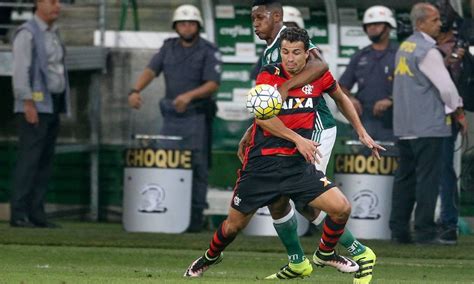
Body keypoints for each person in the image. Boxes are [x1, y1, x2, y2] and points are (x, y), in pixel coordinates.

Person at [185, 27, 384, 279]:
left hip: (296, 165)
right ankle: (209, 257)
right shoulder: (269, 74)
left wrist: (361, 131)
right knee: (233, 227)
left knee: (341, 208)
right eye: (285, 52)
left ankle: (324, 253)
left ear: (306, 54)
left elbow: (341, 98)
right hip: (261, 165)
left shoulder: (318, 75)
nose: (289, 58)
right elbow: (264, 119)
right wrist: (297, 138)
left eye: (296, 53)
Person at [244, 2, 380, 283]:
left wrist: (361, 131)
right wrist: (253, 129)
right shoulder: (272, 52)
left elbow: (322, 66)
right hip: (292, 130)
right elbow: (269, 104)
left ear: (277, 17)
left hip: (315, 129)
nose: (255, 23)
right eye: (253, 18)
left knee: (303, 193)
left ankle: (354, 251)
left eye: (260, 17)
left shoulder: (293, 40)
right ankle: (300, 261)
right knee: (284, 198)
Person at [128, 4, 222, 232]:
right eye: (182, 23)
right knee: (167, 164)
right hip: (170, 118)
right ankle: (168, 213)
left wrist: (189, 96)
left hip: (196, 118)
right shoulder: (167, 47)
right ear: (175, 26)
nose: (186, 27)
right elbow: (151, 70)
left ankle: (194, 217)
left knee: (197, 167)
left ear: (197, 26)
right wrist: (135, 90)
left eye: (191, 23)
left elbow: (213, 84)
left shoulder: (208, 50)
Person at [390, 2, 466, 245]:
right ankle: (424, 231)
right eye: (434, 20)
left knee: (405, 180)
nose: (439, 24)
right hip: (428, 126)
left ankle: (399, 231)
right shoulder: (427, 50)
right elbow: (446, 88)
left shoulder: (405, 46)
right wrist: (459, 112)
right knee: (428, 181)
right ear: (421, 23)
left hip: (404, 126)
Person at [10, 0, 68, 229]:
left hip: (52, 103)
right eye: (52, 1)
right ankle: (19, 212)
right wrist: (27, 102)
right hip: (35, 104)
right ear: (38, 4)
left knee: (44, 160)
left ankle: (36, 211)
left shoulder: (53, 33)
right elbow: (20, 70)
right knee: (29, 160)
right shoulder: (27, 33)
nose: (58, 6)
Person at [435, 0, 468, 245]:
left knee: (445, 170)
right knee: (423, 173)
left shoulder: (459, 49)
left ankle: (448, 223)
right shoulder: (421, 46)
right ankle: (426, 222)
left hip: (445, 118)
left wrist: (458, 114)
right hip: (420, 118)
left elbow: (448, 82)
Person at [339, 5, 397, 142]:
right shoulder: (360, 55)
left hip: (393, 120)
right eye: (368, 25)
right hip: (363, 120)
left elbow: (411, 87)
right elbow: (341, 86)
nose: (371, 28)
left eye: (376, 24)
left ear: (388, 27)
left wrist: (391, 100)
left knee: (392, 160)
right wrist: (350, 99)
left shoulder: (400, 54)